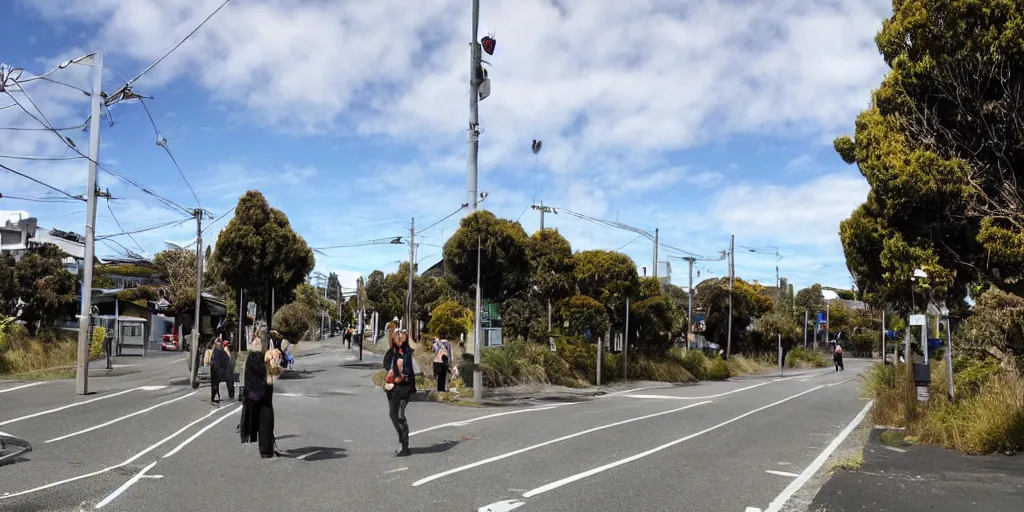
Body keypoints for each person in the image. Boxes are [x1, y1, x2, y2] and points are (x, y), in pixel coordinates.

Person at [240, 336, 280, 458]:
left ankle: (266, 449)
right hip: (263, 394)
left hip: (255, 395)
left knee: (261, 420)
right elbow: (273, 373)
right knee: (265, 421)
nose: (256, 341)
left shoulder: (254, 356)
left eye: (258, 340)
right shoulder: (262, 356)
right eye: (254, 340)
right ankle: (266, 450)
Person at [383, 329, 416, 457]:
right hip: (392, 388)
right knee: (393, 415)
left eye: (401, 337)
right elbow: (386, 365)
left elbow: (410, 371)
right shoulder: (391, 352)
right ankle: (402, 442)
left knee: (400, 415)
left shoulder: (407, 352)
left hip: (404, 388)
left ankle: (405, 446)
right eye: (397, 337)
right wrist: (391, 371)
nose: (399, 339)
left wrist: (403, 373)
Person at [210, 336, 234, 403]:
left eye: (220, 341)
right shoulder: (216, 351)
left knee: (229, 379)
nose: (219, 343)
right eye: (218, 341)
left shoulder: (222, 350)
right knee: (215, 383)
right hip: (217, 369)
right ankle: (215, 395)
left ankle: (229, 394)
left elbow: (229, 359)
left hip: (222, 369)